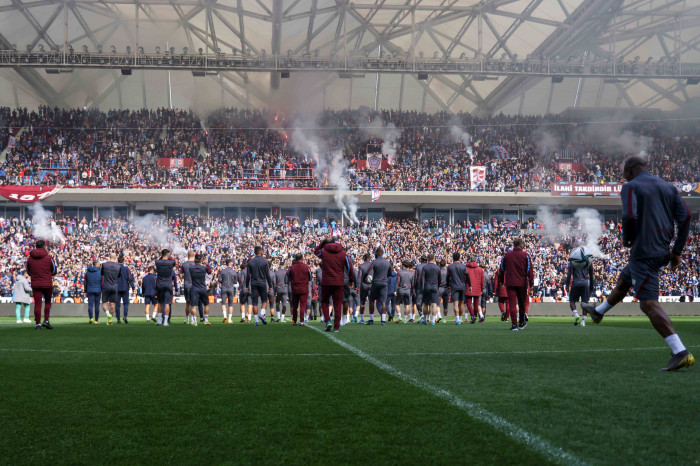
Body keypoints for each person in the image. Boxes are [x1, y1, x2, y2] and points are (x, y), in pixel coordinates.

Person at [582, 156, 695, 371]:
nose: (623, 176)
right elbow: (686, 217)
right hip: (661, 249)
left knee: (648, 304)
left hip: (644, 250)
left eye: (623, 173)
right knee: (625, 281)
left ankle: (680, 351)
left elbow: (630, 215)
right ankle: (598, 312)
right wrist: (677, 252)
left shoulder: (630, 187)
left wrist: (626, 238)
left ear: (629, 171)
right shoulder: (668, 187)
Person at [315, 236, 354, 332]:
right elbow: (350, 267)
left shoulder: (323, 252)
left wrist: (324, 241)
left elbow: (316, 251)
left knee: (324, 302)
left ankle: (327, 321)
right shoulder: (343, 253)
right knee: (337, 304)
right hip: (339, 281)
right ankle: (336, 327)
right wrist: (351, 279)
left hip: (326, 281)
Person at [499, 238, 534, 331]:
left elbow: (501, 269)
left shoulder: (506, 255)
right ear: (521, 245)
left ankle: (514, 325)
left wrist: (501, 281)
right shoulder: (526, 256)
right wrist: (531, 284)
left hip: (510, 283)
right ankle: (521, 323)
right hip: (522, 283)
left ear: (513, 245)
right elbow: (530, 271)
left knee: (512, 304)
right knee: (522, 304)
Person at [26, 239, 57, 330]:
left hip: (35, 283)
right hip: (47, 283)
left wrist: (35, 275)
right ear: (44, 246)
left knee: (38, 304)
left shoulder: (30, 258)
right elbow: (54, 271)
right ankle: (46, 321)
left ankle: (38, 324)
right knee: (47, 302)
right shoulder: (49, 257)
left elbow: (28, 271)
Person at [565, 250, 595, 327]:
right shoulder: (589, 262)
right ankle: (583, 322)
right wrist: (591, 287)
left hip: (576, 282)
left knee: (572, 301)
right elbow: (591, 276)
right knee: (584, 302)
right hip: (585, 283)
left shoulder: (573, 262)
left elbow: (569, 275)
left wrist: (567, 285)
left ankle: (576, 315)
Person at [246, 246, 273, 326]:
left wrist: (247, 286)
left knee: (254, 302)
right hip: (262, 283)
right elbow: (268, 274)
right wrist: (270, 285)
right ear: (261, 252)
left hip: (254, 283)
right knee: (264, 300)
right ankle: (261, 314)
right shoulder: (265, 262)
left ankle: (256, 321)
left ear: (254, 252)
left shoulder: (250, 262)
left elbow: (248, 275)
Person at [368, 247, 391, 325]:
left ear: (377, 253)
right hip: (384, 282)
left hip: (375, 282)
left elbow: (370, 274)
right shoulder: (387, 262)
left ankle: (371, 319)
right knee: (383, 301)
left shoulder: (374, 262)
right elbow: (390, 273)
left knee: (371, 300)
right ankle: (383, 321)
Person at [155, 249, 178, 326]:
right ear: (168, 254)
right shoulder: (171, 262)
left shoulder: (157, 262)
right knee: (167, 303)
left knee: (160, 303)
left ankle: (159, 320)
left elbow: (160, 259)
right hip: (168, 285)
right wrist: (169, 257)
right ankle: (165, 321)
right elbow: (174, 262)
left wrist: (163, 256)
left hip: (160, 285)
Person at [289, 253, 312, 325]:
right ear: (302, 258)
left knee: (295, 306)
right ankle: (302, 321)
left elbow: (289, 277)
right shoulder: (306, 267)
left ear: (295, 259)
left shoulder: (291, 267)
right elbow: (310, 278)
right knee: (303, 306)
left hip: (295, 289)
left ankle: (294, 321)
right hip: (304, 289)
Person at [447, 252, 470, 326]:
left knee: (455, 303)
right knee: (462, 303)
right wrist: (470, 285)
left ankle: (457, 319)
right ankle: (460, 318)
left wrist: (448, 286)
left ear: (453, 258)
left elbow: (447, 277)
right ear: (459, 258)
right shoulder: (463, 266)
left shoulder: (450, 267)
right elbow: (467, 276)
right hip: (462, 286)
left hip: (454, 286)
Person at [189, 254, 212, 326]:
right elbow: (210, 272)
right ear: (202, 259)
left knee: (194, 306)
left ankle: (195, 321)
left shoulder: (191, 268)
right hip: (203, 288)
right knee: (206, 304)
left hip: (194, 288)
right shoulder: (204, 268)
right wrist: (207, 264)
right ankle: (206, 320)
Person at [419, 254, 441, 325]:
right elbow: (439, 279)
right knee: (434, 304)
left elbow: (422, 279)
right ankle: (433, 320)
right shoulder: (437, 268)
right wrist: (437, 286)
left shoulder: (425, 267)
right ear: (434, 258)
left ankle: (425, 319)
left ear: (427, 259)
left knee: (425, 304)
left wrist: (422, 287)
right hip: (434, 286)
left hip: (427, 286)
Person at [101, 253, 121, 325]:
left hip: (106, 286)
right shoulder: (118, 266)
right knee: (113, 305)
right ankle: (110, 320)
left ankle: (107, 313)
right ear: (115, 257)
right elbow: (119, 276)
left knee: (104, 303)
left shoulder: (104, 265)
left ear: (109, 257)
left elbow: (102, 273)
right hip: (115, 286)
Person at [115, 255, 135, 324]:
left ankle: (118, 319)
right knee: (126, 304)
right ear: (123, 262)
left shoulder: (115, 268)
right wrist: (133, 287)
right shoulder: (127, 269)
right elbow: (130, 278)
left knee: (117, 304)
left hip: (117, 288)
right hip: (125, 288)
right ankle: (125, 317)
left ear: (117, 261)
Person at [466, 258, 485, 324]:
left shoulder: (466, 268)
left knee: (468, 303)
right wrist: (482, 289)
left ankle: (473, 315)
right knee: (476, 304)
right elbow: (482, 281)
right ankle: (475, 316)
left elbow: (465, 279)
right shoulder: (480, 269)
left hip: (469, 288)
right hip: (477, 289)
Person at [219, 259, 237, 324]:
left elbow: (219, 280)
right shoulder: (234, 272)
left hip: (224, 287)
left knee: (223, 303)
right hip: (231, 288)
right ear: (231, 263)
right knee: (230, 304)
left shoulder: (223, 271)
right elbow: (235, 281)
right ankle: (229, 319)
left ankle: (224, 316)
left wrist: (224, 281)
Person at [181, 251, 196, 324]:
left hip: (187, 284)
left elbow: (180, 276)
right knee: (193, 303)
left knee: (187, 302)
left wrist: (185, 275)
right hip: (194, 285)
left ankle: (187, 319)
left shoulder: (184, 264)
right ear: (194, 256)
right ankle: (193, 319)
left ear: (188, 256)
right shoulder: (196, 264)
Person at [357, 253, 373, 324]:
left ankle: (362, 319)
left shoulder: (361, 266)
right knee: (371, 302)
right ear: (369, 258)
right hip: (372, 285)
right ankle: (371, 318)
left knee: (362, 302)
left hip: (363, 285)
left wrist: (358, 287)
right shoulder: (373, 265)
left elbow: (359, 277)